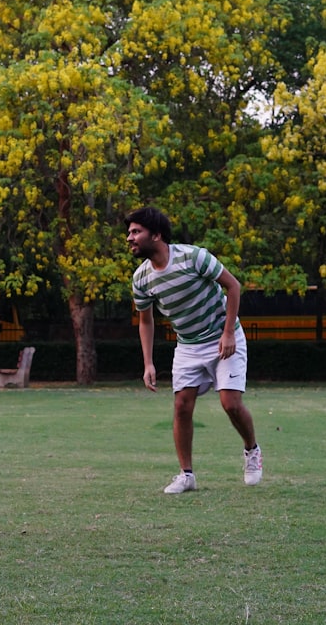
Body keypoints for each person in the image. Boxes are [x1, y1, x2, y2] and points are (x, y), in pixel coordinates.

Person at [124, 206, 262, 494]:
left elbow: (233, 286)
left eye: (136, 232)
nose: (129, 238)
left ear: (157, 235)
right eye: (129, 232)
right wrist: (148, 363)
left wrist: (227, 334)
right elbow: (146, 322)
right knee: (181, 406)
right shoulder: (141, 279)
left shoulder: (193, 257)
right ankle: (186, 475)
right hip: (188, 346)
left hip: (224, 336)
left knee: (230, 404)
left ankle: (252, 451)